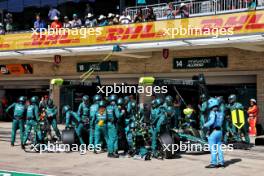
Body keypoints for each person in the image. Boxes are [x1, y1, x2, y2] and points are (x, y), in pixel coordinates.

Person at [203, 98, 225, 168]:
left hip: (213, 132)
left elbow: (212, 121)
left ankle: (213, 163)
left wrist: (204, 125)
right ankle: (221, 163)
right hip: (220, 132)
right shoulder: (221, 113)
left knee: (213, 148)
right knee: (219, 148)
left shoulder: (213, 112)